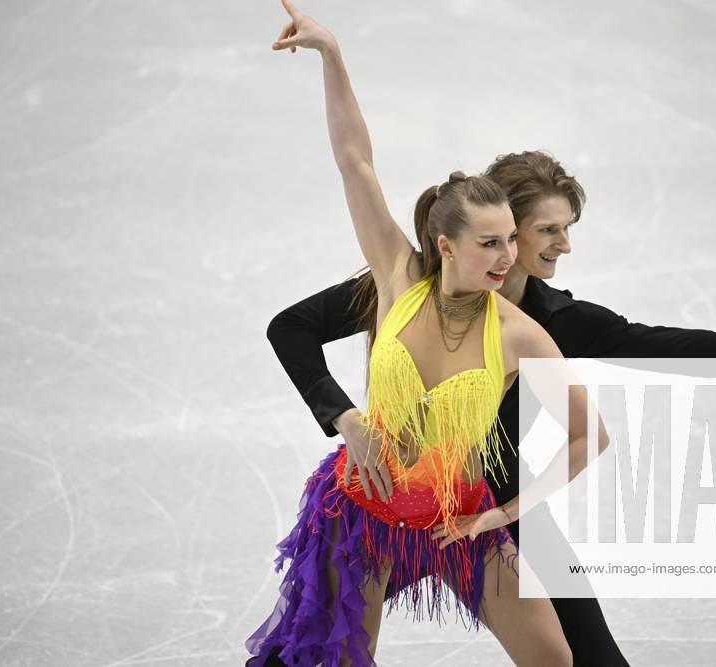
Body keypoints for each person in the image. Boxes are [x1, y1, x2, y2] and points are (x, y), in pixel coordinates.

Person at [265, 142, 716, 667]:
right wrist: (346, 418)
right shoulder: (416, 278)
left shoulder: (557, 322)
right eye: (548, 229)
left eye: (566, 227)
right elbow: (292, 327)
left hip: (495, 508)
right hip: (387, 496)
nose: (564, 244)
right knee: (313, 638)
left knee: (588, 656)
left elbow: (667, 345)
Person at [245, 2, 609, 665]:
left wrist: (501, 515)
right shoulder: (396, 278)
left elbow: (591, 435)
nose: (507, 257)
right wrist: (331, 54)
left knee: (556, 660)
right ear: (446, 244)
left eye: (510, 241)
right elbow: (354, 160)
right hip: (363, 512)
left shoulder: (521, 334)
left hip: (458, 521)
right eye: (489, 242)